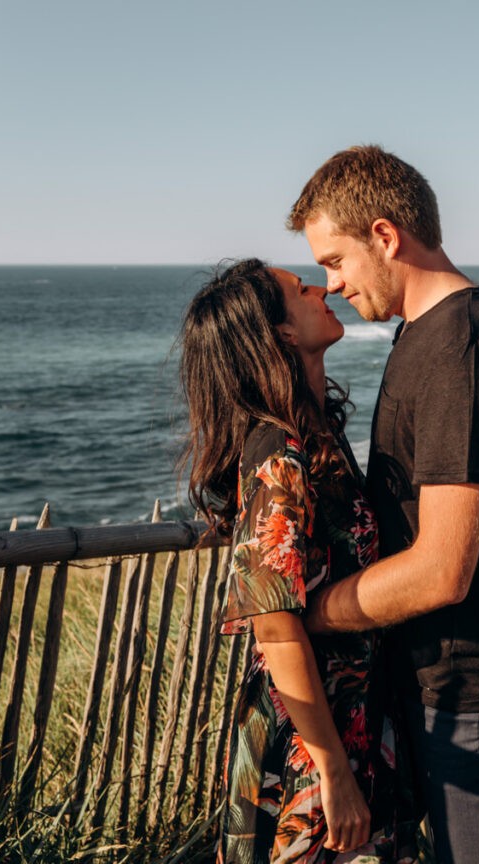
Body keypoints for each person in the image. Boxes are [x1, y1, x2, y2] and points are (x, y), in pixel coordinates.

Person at [287, 145, 479, 864]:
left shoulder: (460, 345)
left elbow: (440, 571)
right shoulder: (421, 335)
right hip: (433, 684)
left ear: (384, 236)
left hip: (468, 695)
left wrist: (304, 613)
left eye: (334, 260)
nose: (330, 285)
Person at [179, 258, 418, 864]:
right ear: (280, 333)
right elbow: (276, 627)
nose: (324, 287)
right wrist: (333, 771)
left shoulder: (313, 435)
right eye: (301, 289)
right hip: (310, 743)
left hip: (350, 721)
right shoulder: (277, 454)